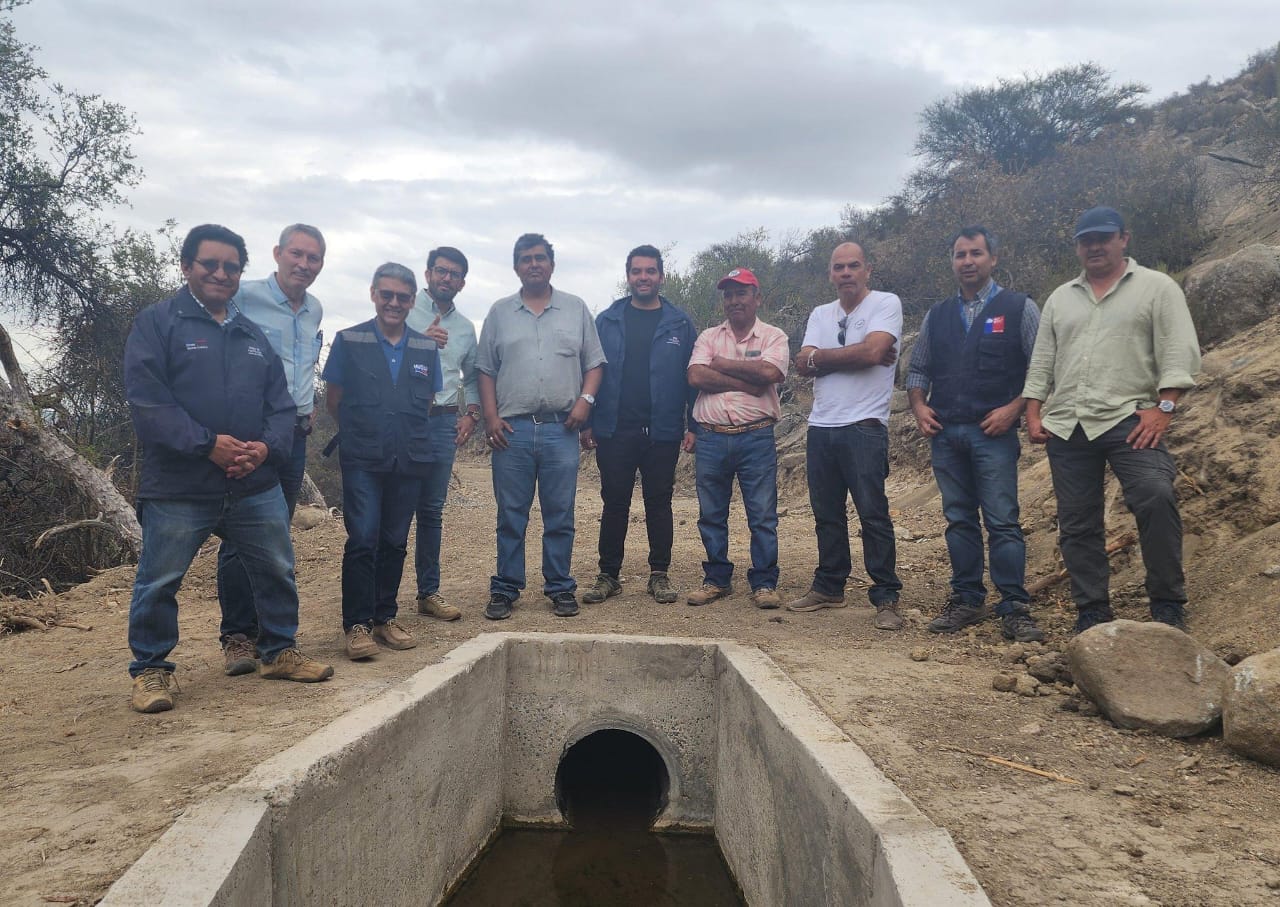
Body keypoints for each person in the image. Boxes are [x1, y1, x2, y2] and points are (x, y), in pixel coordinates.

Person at [122, 224, 333, 713]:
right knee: (160, 579)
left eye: (230, 266)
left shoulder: (250, 333)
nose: (221, 273)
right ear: (187, 267)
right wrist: (206, 445)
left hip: (252, 483)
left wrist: (264, 449)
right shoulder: (157, 324)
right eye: (210, 264)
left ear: (240, 272)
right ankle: (152, 672)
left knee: (277, 567)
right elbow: (149, 402)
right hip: (180, 484)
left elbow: (281, 407)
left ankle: (278, 651)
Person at [1024, 206, 1201, 634]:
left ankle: (1167, 603)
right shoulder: (1061, 297)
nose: (1095, 246)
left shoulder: (1157, 288)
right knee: (1077, 521)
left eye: (1104, 237)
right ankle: (1092, 611)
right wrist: (1033, 409)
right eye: (1086, 240)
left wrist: (1165, 408)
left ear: (1124, 238)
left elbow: (1179, 349)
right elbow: (1043, 358)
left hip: (1131, 418)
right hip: (1068, 424)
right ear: (1078, 246)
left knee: (1156, 496)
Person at [906, 226, 1044, 643]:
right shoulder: (938, 314)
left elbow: (1041, 368)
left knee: (1002, 521)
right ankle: (966, 599)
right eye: (960, 254)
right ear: (952, 261)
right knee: (959, 520)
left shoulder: (1020, 308)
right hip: (946, 433)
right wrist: (918, 406)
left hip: (993, 434)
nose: (967, 261)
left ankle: (1014, 607)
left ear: (993, 259)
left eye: (976, 253)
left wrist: (1015, 409)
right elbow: (917, 370)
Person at [476, 233, 606, 620]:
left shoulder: (576, 309)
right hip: (511, 432)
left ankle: (560, 586)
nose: (533, 264)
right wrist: (490, 418)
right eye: (525, 259)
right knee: (511, 514)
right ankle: (505, 587)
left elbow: (594, 364)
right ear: (516, 267)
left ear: (552, 263)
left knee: (560, 513)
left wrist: (586, 402)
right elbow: (485, 370)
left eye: (540, 258)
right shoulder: (499, 313)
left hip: (560, 430)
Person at [218, 224, 326, 676]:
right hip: (250, 433)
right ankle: (237, 636)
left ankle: (274, 640)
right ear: (278, 253)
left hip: (293, 434)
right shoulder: (245, 296)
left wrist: (306, 408)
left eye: (313, 258)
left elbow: (302, 364)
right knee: (242, 533)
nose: (303, 264)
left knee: (275, 532)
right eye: (296, 254)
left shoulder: (314, 308)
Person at [323, 263, 442, 659]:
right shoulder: (349, 340)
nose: (394, 303)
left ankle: (384, 618)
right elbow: (334, 401)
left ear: (412, 300)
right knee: (363, 538)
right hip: (363, 458)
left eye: (402, 297)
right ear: (373, 293)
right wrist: (366, 434)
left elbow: (425, 404)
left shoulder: (426, 349)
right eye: (386, 294)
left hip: (409, 458)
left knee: (394, 540)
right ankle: (356, 626)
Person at [788, 242, 905, 630]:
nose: (846, 273)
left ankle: (886, 595)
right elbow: (801, 363)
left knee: (873, 513)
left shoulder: (886, 303)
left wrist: (823, 358)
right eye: (839, 267)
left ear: (867, 269)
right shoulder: (821, 313)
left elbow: (873, 354)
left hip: (865, 424)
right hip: (822, 425)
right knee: (826, 514)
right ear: (830, 273)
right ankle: (829, 585)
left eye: (854, 265)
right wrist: (856, 354)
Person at [579, 245, 697, 606]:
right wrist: (587, 421)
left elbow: (692, 377)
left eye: (650, 271)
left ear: (661, 276)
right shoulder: (607, 320)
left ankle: (659, 574)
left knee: (659, 502)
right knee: (614, 502)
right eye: (636, 271)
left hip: (662, 430)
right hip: (614, 428)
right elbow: (590, 369)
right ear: (628, 276)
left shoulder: (679, 323)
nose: (643, 277)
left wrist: (693, 424)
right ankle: (608, 575)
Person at [686, 267, 789, 609]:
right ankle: (717, 579)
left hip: (755, 437)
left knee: (761, 514)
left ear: (757, 298)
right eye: (728, 294)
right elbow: (696, 375)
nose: (734, 301)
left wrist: (722, 363)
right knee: (711, 513)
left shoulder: (774, 336)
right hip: (712, 437)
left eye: (742, 293)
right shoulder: (708, 336)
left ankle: (764, 582)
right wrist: (747, 382)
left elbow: (771, 373)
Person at [405, 246, 479, 622]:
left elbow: (473, 375)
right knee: (397, 509)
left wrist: (472, 414)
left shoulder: (465, 329)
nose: (446, 278)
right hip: (404, 419)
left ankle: (428, 593)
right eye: (441, 271)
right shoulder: (402, 310)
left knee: (431, 511)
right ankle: (380, 601)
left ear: (462, 282)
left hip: (442, 422)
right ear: (428, 273)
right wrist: (418, 340)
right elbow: (382, 358)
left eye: (454, 274)